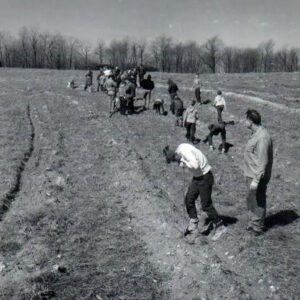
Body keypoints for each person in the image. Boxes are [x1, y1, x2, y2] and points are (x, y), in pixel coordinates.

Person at [163, 143, 227, 240]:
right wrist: (182, 162)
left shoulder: (184, 152)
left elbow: (195, 165)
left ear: (175, 155)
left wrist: (182, 160)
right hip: (197, 177)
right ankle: (193, 225)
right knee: (189, 199)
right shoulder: (181, 149)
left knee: (205, 205)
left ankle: (220, 226)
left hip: (205, 177)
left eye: (174, 160)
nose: (175, 162)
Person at [243, 109, 273, 235]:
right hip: (251, 173)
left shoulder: (262, 137)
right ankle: (253, 221)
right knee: (251, 199)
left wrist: (256, 180)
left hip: (257, 175)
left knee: (258, 199)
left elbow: (263, 161)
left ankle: (258, 227)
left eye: (246, 119)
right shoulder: (256, 134)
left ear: (250, 121)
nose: (244, 121)